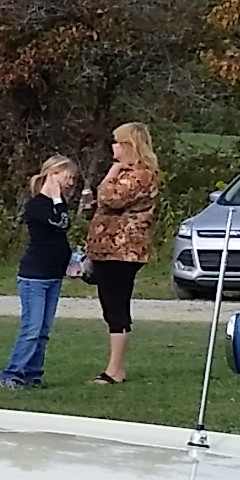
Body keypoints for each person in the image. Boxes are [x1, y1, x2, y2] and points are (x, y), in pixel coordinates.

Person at [81, 122, 161, 384]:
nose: (113, 147)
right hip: (107, 249)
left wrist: (111, 172)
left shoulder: (141, 175)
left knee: (116, 306)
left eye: (116, 142)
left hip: (123, 250)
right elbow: (97, 204)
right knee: (109, 305)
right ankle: (114, 366)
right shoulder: (125, 174)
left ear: (129, 144)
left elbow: (109, 198)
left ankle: (115, 370)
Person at [1, 155, 75, 390]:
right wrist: (55, 198)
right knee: (31, 328)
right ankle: (12, 373)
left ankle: (33, 374)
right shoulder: (36, 206)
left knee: (43, 330)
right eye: (68, 177)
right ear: (52, 175)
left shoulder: (57, 204)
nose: (72, 182)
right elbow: (61, 223)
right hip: (35, 276)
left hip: (53, 275)